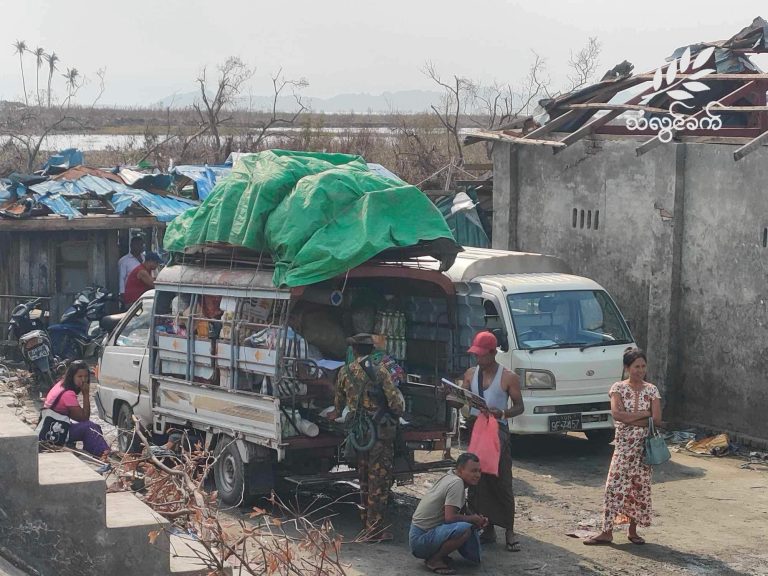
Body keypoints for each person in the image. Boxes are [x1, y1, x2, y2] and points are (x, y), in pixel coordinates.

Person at [326, 333, 405, 541]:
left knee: (363, 479)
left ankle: (366, 523)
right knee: (378, 481)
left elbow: (338, 404)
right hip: (379, 434)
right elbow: (396, 404)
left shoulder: (345, 371)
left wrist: (337, 413)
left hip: (359, 434)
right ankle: (374, 530)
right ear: (372, 350)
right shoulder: (380, 371)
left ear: (354, 350)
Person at [584, 348, 662, 546]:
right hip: (623, 449)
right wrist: (644, 415)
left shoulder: (652, 390)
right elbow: (617, 415)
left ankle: (633, 531)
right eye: (636, 366)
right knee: (613, 488)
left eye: (643, 366)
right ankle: (606, 531)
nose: (640, 370)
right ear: (627, 368)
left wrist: (631, 418)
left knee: (639, 489)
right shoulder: (617, 388)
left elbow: (657, 420)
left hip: (643, 451)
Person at [462, 330, 524, 552]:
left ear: (492, 353)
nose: (478, 358)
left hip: (498, 433)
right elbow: (460, 400)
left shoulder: (508, 377)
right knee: (477, 480)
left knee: (501, 480)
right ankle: (486, 527)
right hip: (477, 431)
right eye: (476, 354)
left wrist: (503, 413)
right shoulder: (471, 374)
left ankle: (509, 530)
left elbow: (520, 406)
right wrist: (448, 396)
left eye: (481, 354)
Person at [409, 453, 486, 575]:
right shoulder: (457, 483)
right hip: (420, 540)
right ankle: (434, 560)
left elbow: (461, 510)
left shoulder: (451, 476)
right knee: (465, 530)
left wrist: (476, 519)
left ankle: (437, 555)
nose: (477, 475)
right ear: (460, 470)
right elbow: (449, 518)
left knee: (467, 526)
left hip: (419, 536)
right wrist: (472, 519)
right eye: (473, 471)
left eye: (479, 471)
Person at [43, 360, 110, 460]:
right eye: (79, 376)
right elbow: (84, 418)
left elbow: (75, 415)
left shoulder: (61, 384)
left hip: (50, 426)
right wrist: (86, 394)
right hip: (56, 431)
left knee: (95, 427)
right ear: (72, 376)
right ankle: (103, 454)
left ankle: (99, 452)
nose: (83, 380)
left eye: (86, 376)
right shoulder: (68, 394)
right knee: (90, 427)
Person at [118, 236, 144, 306]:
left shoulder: (144, 258)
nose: (140, 247)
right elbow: (121, 278)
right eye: (137, 245)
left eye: (141, 245)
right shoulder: (124, 261)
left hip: (142, 292)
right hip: (130, 293)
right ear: (131, 246)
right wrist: (122, 293)